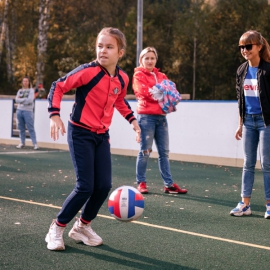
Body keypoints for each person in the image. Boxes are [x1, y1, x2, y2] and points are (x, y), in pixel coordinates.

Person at [45, 27, 141, 251]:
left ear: (120, 52)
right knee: (85, 186)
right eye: (100, 46)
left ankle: (81, 227)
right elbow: (57, 86)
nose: (103, 51)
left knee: (103, 185)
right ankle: (56, 228)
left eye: (109, 47)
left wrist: (134, 122)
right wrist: (54, 115)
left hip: (101, 136)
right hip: (80, 133)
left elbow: (119, 101)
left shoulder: (123, 77)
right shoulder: (87, 72)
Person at [132, 47, 187, 195]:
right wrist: (163, 92)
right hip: (146, 118)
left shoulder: (161, 75)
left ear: (156, 60)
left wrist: (162, 91)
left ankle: (168, 185)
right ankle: (141, 182)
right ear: (141, 60)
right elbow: (144, 93)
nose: (150, 61)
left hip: (162, 118)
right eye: (147, 58)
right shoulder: (138, 75)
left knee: (164, 153)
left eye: (152, 58)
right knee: (145, 151)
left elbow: (172, 91)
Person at [230, 30, 270, 218]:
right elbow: (241, 100)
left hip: (266, 123)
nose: (244, 50)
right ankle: (245, 204)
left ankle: (269, 204)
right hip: (248, 122)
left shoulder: (268, 70)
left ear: (259, 47)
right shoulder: (241, 70)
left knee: (267, 164)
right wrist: (240, 124)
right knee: (248, 163)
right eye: (242, 47)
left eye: (248, 46)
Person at [15, 76, 39, 150]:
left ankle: (35, 144)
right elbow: (16, 99)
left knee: (30, 128)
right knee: (21, 128)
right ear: (22, 82)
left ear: (29, 82)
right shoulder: (20, 91)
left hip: (28, 111)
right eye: (24, 81)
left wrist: (21, 99)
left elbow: (30, 100)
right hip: (19, 110)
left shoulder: (31, 90)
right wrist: (24, 100)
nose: (25, 82)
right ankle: (22, 142)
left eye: (26, 81)